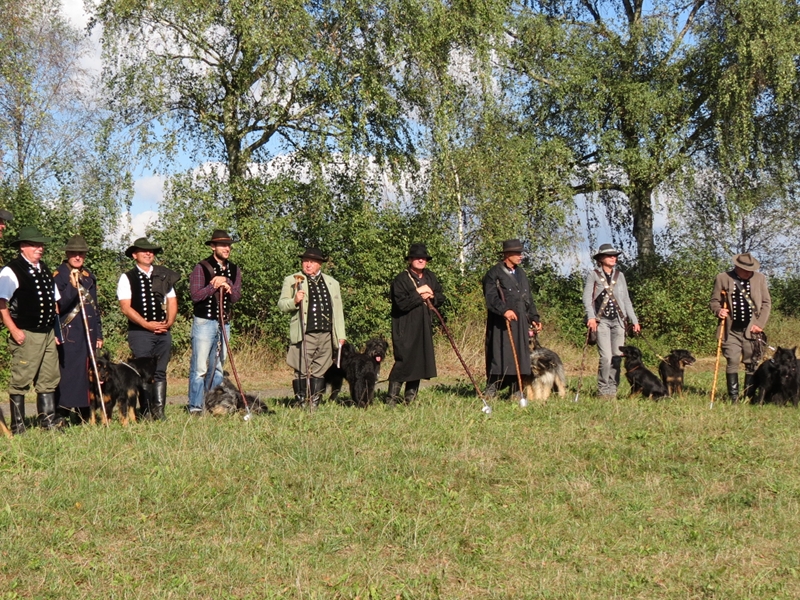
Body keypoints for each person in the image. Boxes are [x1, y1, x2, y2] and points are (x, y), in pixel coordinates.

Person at [0, 226, 61, 432]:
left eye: (41, 245)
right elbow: (1, 303)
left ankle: (48, 422)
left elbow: (55, 302)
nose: (40, 248)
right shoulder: (12, 270)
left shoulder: (43, 268)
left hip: (47, 332)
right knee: (21, 379)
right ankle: (18, 426)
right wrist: (14, 330)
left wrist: (56, 332)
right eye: (35, 245)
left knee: (48, 378)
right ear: (23, 247)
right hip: (27, 333)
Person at [117, 237, 180, 420]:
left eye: (151, 251)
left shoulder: (163, 274)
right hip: (140, 332)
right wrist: (146, 324)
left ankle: (158, 412)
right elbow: (126, 307)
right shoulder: (127, 277)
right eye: (144, 251)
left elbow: (172, 300)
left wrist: (169, 323)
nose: (148, 253)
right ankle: (145, 412)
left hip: (162, 331)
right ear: (134, 255)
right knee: (142, 372)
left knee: (160, 371)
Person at [277, 247, 346, 408]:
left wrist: (341, 334)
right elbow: (282, 304)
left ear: (320, 264)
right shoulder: (293, 280)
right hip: (304, 332)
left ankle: (314, 401)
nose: (308, 265)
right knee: (301, 368)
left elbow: (338, 310)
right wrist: (294, 301)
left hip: (326, 333)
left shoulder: (332, 283)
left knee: (321, 368)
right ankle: (301, 402)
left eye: (312, 262)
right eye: (305, 261)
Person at [187, 229, 242, 414]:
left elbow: (236, 297)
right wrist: (213, 285)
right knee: (200, 367)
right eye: (223, 245)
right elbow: (195, 296)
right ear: (213, 247)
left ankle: (216, 405)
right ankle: (195, 407)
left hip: (224, 323)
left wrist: (227, 283)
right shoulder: (201, 268)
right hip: (204, 322)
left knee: (218, 367)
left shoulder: (233, 269)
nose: (227, 248)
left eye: (228, 245)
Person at [387, 243, 446, 405]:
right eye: (417, 258)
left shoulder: (430, 277)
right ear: (410, 259)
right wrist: (419, 293)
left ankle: (409, 399)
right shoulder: (401, 279)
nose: (421, 260)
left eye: (424, 258)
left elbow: (440, 297)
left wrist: (432, 295)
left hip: (424, 326)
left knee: (419, 361)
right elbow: (401, 304)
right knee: (404, 360)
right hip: (405, 327)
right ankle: (391, 398)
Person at [482, 239, 542, 398]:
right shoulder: (493, 274)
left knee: (521, 356)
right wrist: (504, 310)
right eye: (517, 253)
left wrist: (534, 317)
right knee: (501, 356)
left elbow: (527, 298)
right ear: (507, 255)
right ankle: (491, 390)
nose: (520, 256)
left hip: (521, 322)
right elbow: (491, 298)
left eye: (521, 253)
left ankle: (516, 391)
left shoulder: (521, 273)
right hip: (501, 324)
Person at [54, 235, 103, 423]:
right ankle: (63, 413)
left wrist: (98, 333)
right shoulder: (59, 276)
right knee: (69, 375)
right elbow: (60, 306)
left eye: (81, 253)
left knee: (86, 374)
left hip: (88, 333)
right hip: (70, 332)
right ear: (67, 254)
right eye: (74, 253)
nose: (77, 257)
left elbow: (94, 308)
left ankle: (84, 413)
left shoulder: (89, 276)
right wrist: (73, 288)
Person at [710, 252, 771, 403]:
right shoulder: (722, 278)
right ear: (737, 266)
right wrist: (719, 310)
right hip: (730, 330)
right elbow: (714, 301)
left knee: (752, 362)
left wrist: (759, 324)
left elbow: (766, 303)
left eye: (751, 269)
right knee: (732, 360)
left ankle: (749, 396)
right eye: (745, 269)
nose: (749, 272)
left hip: (752, 329)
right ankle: (734, 398)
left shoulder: (760, 279)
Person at [582, 243, 641, 399]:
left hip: (619, 321)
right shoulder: (593, 275)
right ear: (601, 259)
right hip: (601, 321)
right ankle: (603, 390)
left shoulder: (619, 275)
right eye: (609, 256)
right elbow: (587, 298)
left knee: (617, 357)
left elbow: (626, 299)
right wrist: (591, 317)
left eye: (614, 255)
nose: (613, 258)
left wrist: (634, 320)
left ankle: (612, 389)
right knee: (606, 357)